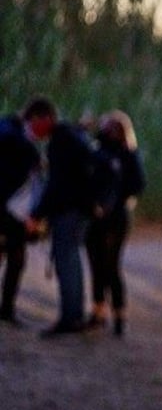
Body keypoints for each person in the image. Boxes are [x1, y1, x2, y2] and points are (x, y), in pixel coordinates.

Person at [26, 100, 97, 337]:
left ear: (45, 118)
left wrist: (36, 215)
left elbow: (57, 184)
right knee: (72, 260)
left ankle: (70, 318)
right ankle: (74, 314)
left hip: (69, 210)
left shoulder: (61, 141)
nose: (32, 128)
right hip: (81, 209)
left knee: (66, 261)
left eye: (33, 122)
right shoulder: (72, 136)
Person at [84, 111, 146, 337]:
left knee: (111, 265)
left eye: (114, 128)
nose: (109, 131)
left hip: (116, 216)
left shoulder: (128, 155)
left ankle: (119, 313)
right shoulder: (96, 151)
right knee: (96, 264)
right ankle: (99, 309)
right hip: (96, 216)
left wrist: (113, 201)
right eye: (107, 126)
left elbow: (137, 185)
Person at [0, 99, 51, 326]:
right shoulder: (14, 136)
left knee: (13, 257)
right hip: (8, 207)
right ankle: (7, 309)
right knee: (16, 257)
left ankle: (7, 308)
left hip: (12, 207)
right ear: (36, 118)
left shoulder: (11, 129)